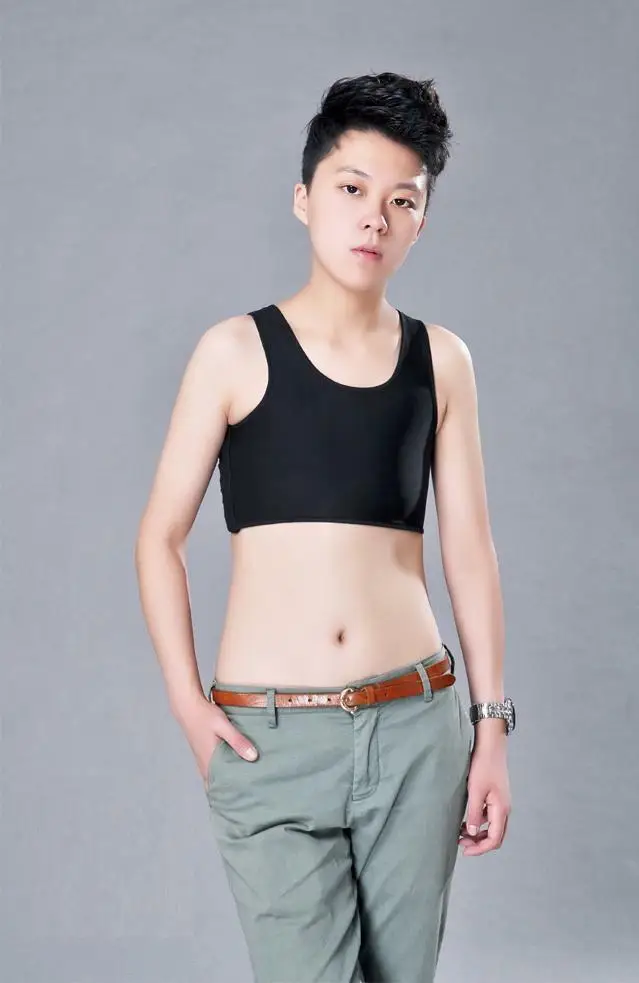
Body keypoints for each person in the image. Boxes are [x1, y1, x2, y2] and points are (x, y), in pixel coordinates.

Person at [134, 71, 514, 983]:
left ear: (420, 222)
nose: (373, 218)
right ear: (304, 197)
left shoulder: (440, 360)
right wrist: (188, 704)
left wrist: (490, 726)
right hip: (269, 738)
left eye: (401, 200)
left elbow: (468, 553)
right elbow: (158, 539)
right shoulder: (233, 351)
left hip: (417, 728)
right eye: (351, 188)